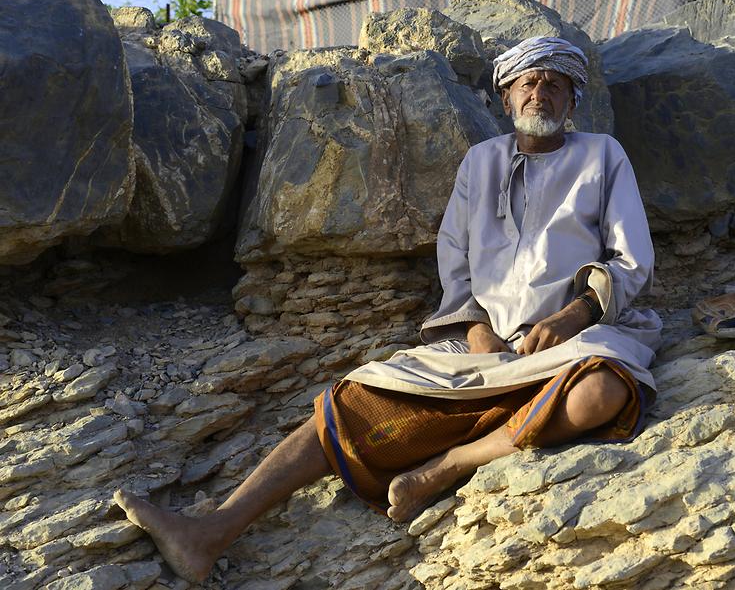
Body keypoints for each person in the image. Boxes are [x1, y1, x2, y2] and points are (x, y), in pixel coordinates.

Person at [115, 36, 662, 583]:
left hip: (577, 335)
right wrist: (473, 328)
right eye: (528, 82)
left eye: (554, 83)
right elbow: (455, 259)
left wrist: (576, 314)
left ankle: (445, 467)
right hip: (486, 342)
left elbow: (631, 257)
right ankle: (212, 529)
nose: (540, 91)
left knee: (601, 392)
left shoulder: (601, 155)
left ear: (572, 99)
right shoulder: (481, 161)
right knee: (355, 399)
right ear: (506, 97)